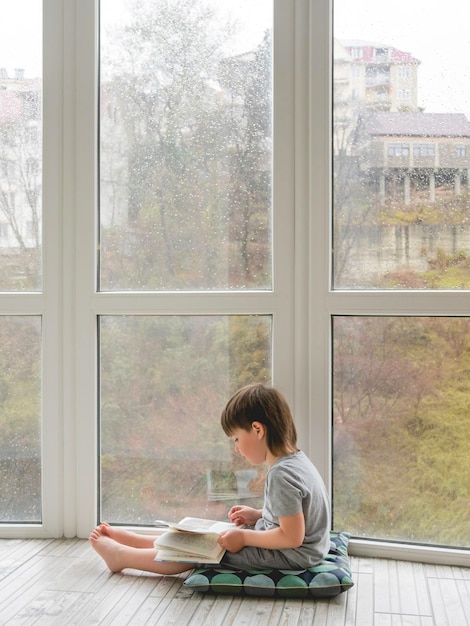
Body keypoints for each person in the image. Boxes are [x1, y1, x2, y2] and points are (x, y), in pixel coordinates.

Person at [89, 383, 331, 574]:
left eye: (236, 439)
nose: (236, 448)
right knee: (205, 538)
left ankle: (122, 557)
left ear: (258, 430)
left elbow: (292, 536)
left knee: (200, 551)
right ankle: (137, 540)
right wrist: (258, 514)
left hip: (292, 554)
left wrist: (245, 536)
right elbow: (295, 516)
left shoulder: (282, 474)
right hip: (303, 550)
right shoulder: (295, 461)